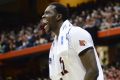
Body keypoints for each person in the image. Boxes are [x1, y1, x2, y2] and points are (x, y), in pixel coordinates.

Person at [42, 2, 104, 80]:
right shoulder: (54, 47)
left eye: (48, 13)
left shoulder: (75, 33)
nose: (43, 16)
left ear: (58, 16)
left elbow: (93, 71)